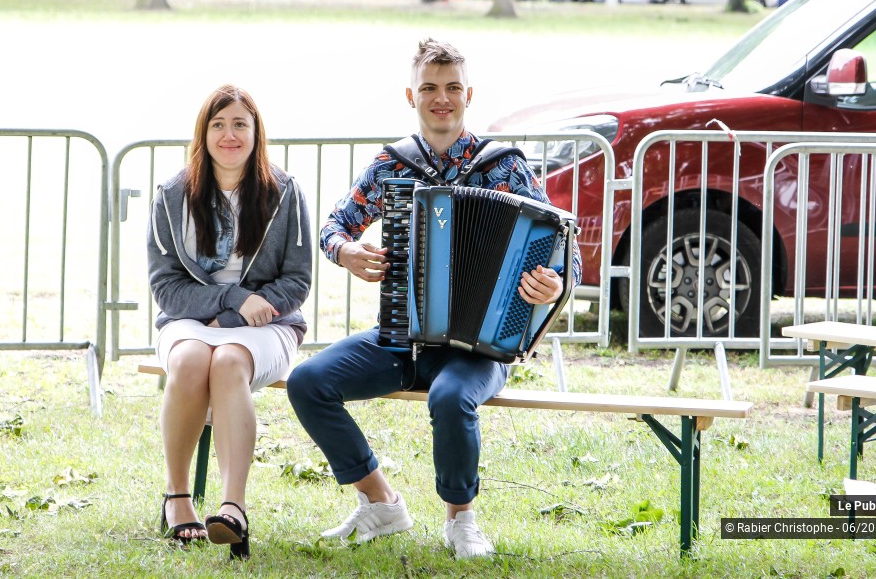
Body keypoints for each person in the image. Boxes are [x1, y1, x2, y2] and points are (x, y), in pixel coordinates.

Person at [285, 39, 581, 559]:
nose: (440, 98)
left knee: (450, 397)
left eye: (451, 89)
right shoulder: (389, 165)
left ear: (469, 94)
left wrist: (553, 282)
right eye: (429, 88)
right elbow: (334, 226)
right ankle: (381, 503)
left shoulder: (504, 167)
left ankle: (460, 521)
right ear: (411, 95)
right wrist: (347, 251)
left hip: (480, 348)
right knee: (308, 382)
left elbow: (566, 250)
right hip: (399, 337)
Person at [147, 84, 312, 558]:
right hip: (191, 320)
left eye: (240, 123)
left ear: (256, 133)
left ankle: (232, 508)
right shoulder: (173, 195)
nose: (230, 134)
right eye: (218, 124)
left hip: (268, 324)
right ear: (203, 134)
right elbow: (167, 289)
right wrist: (231, 300)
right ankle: (178, 498)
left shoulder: (284, 192)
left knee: (228, 363)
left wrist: (241, 313)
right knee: (192, 361)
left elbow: (296, 281)